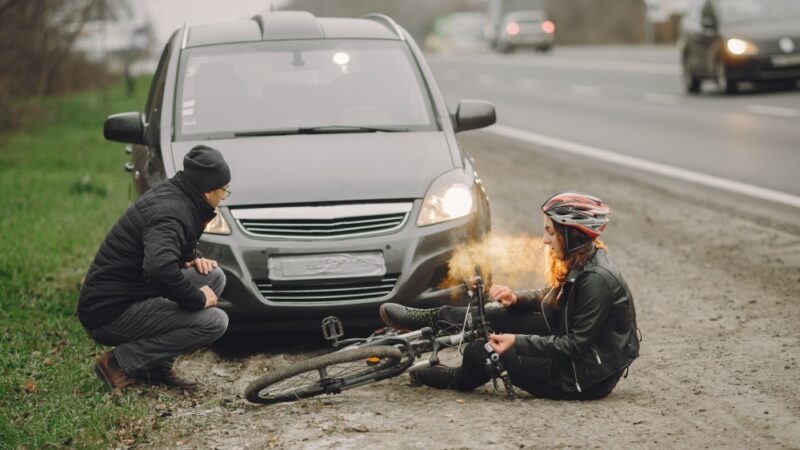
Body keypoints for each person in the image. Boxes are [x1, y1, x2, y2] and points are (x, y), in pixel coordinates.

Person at [380, 191, 640, 400]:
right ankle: (428, 318)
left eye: (550, 232)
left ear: (572, 234)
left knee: (481, 349)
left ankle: (456, 378)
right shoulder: (583, 261)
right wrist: (517, 298)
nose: (544, 240)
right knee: (496, 312)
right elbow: (554, 295)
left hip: (579, 377)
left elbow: (573, 346)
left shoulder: (597, 281)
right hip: (571, 347)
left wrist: (516, 341)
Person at [78, 145, 232, 392]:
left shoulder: (179, 195)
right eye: (224, 190)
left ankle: (156, 367)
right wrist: (197, 298)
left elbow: (166, 245)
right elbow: (158, 269)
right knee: (214, 321)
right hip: (109, 313)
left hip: (129, 295)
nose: (224, 196)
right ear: (207, 192)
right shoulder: (171, 211)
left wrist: (191, 258)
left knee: (212, 276)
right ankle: (119, 364)